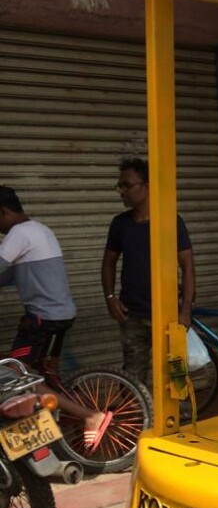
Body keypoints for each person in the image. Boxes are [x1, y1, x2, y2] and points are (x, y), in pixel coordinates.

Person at [0, 186, 111, 450]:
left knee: (15, 374)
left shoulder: (19, 233)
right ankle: (53, 426)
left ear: (3, 212)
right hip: (60, 314)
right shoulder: (40, 229)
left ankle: (90, 416)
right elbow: (9, 276)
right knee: (42, 374)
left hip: (43, 318)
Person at [101, 157, 195, 384]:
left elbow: (188, 267)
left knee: (176, 375)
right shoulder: (120, 223)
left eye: (127, 185)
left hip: (168, 314)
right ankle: (139, 417)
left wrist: (185, 311)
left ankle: (182, 416)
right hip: (132, 314)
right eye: (119, 186)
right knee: (133, 375)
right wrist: (110, 298)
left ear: (147, 186)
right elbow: (108, 262)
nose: (121, 191)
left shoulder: (170, 222)